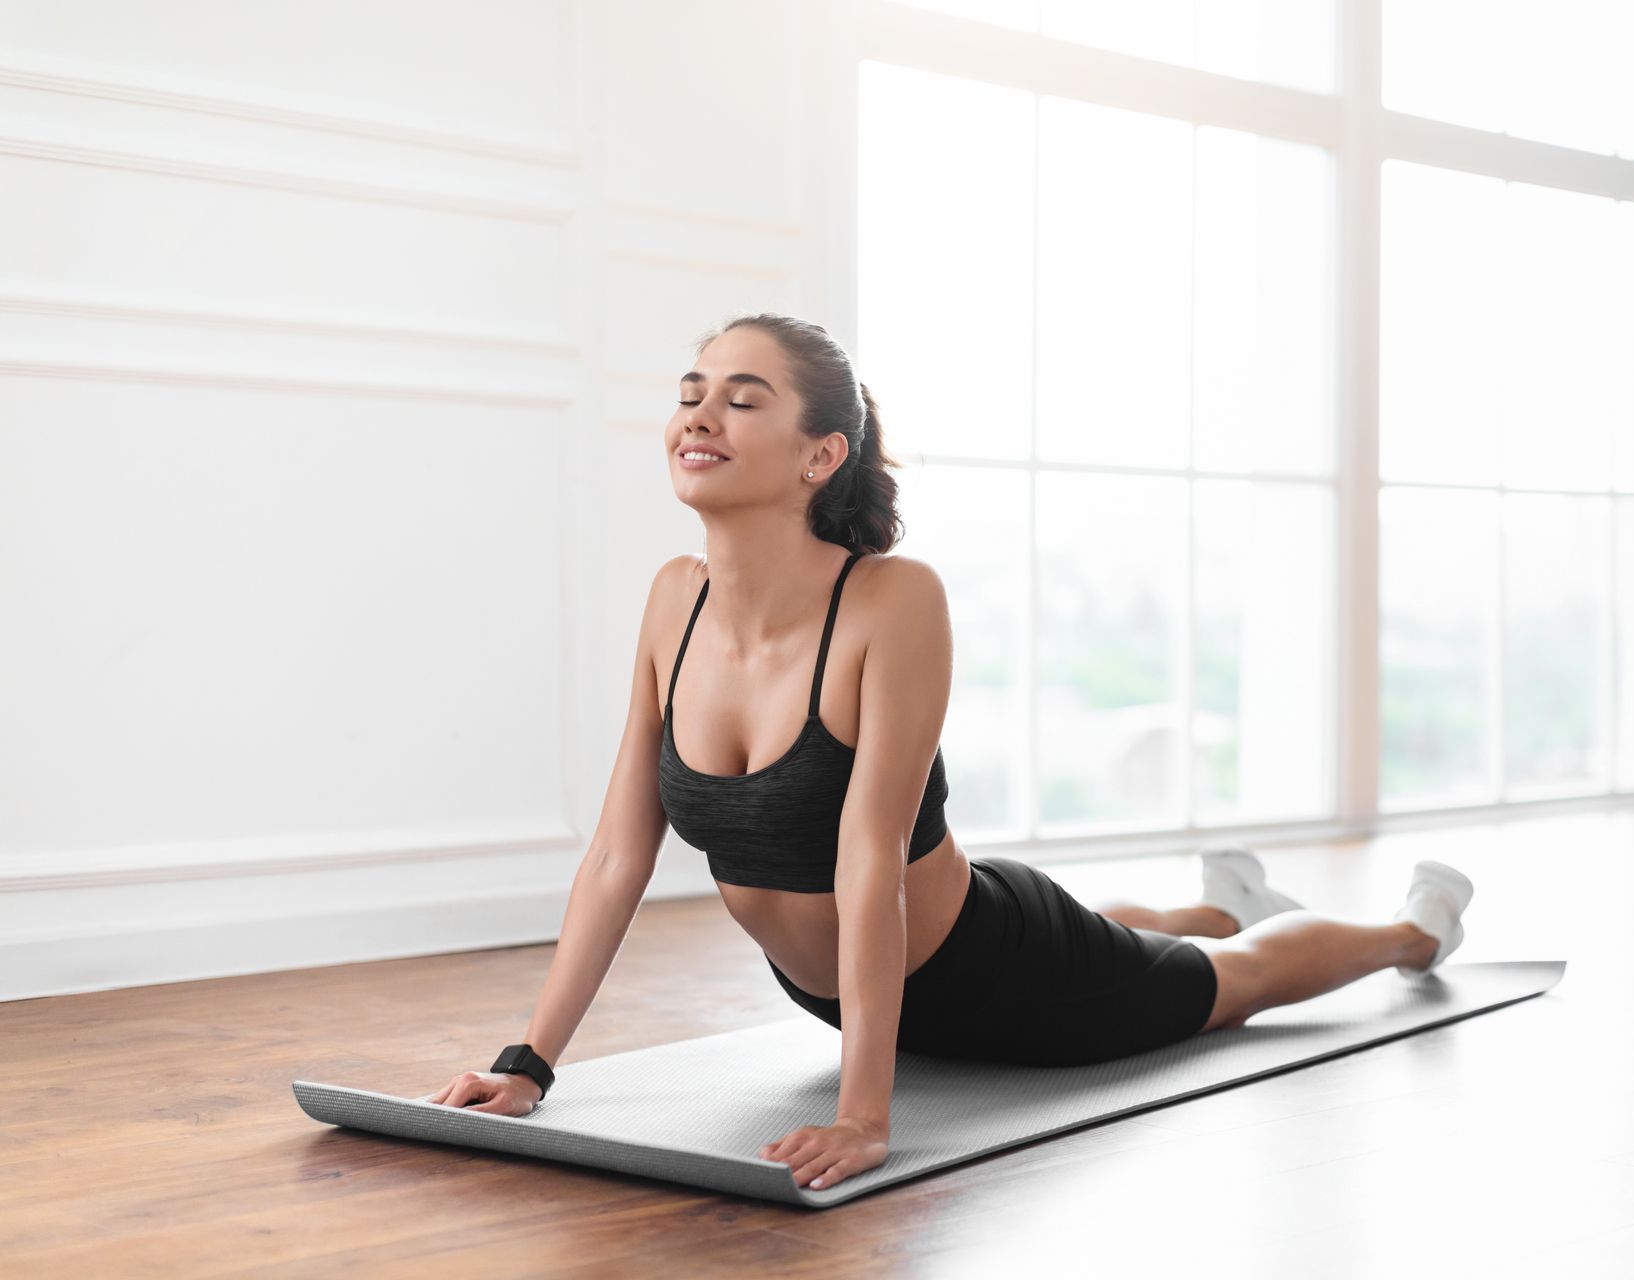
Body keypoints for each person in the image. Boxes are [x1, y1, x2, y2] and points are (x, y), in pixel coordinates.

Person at [429, 313, 1476, 1195]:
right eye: (692, 390)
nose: (698, 412)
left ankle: (1413, 928)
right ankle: (1219, 895)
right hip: (842, 981)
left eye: (742, 398)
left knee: (1225, 982)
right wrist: (529, 1063)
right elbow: (620, 853)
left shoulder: (892, 599)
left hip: (993, 970)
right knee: (1127, 932)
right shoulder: (674, 597)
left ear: (819, 453)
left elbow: (868, 857)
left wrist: (864, 1115)